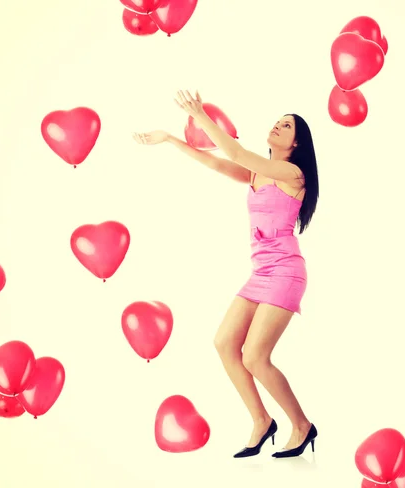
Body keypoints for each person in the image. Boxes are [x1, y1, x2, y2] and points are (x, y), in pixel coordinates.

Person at [132, 90, 320, 459]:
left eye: (286, 126)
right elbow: (218, 163)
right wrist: (170, 139)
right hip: (261, 270)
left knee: (255, 356)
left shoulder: (291, 173)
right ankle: (262, 421)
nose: (277, 126)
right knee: (223, 344)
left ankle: (301, 425)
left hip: (285, 271)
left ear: (296, 142)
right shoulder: (256, 172)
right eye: (277, 121)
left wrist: (200, 115)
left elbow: (232, 152)